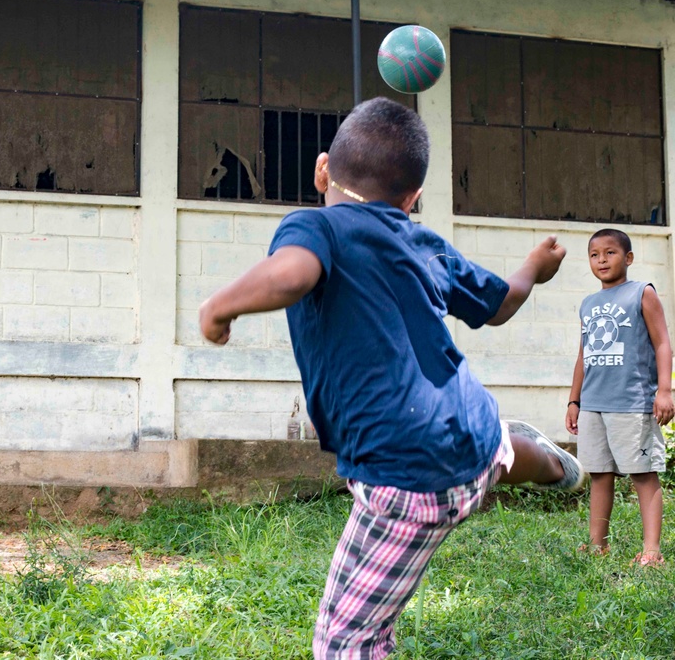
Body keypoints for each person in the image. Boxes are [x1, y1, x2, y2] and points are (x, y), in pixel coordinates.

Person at [198, 97, 586, 659]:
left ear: (321, 169)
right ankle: (552, 465)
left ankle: (529, 456)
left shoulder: (315, 225)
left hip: (407, 479)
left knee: (345, 641)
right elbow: (501, 303)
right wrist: (534, 266)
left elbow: (293, 272)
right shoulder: (423, 242)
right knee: (496, 452)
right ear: (413, 199)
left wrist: (219, 307)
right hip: (466, 425)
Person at [565, 228, 671, 567]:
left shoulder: (642, 293)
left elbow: (662, 343)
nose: (601, 260)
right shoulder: (588, 304)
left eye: (609, 253)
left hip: (631, 403)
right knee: (599, 473)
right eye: (594, 255)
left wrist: (665, 390)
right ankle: (598, 545)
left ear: (628, 258)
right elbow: (584, 356)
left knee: (643, 474)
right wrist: (574, 401)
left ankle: (652, 550)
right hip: (594, 404)